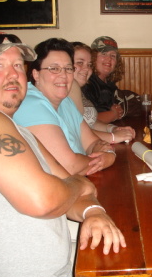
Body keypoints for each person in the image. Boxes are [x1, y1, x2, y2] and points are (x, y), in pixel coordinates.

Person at [0, 31, 126, 277]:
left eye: (18, 65)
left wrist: (93, 210)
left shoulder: (16, 129)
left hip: (62, 268)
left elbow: (75, 186)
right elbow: (44, 199)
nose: (12, 74)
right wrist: (78, 186)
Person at [14, 38, 115, 176]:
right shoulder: (30, 103)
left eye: (68, 68)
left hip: (78, 184)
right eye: (54, 69)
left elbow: (92, 143)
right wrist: (105, 159)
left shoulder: (66, 101)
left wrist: (108, 153)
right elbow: (69, 166)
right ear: (36, 74)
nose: (63, 75)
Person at [69, 41, 135, 143]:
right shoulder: (67, 90)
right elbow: (75, 131)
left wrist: (112, 129)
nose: (86, 68)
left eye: (89, 64)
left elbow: (91, 122)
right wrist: (112, 137)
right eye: (80, 63)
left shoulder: (77, 88)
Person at [82, 36, 125, 123]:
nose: (109, 59)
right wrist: (114, 114)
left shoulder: (110, 84)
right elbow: (87, 121)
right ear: (93, 57)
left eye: (113, 56)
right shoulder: (87, 83)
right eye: (103, 54)